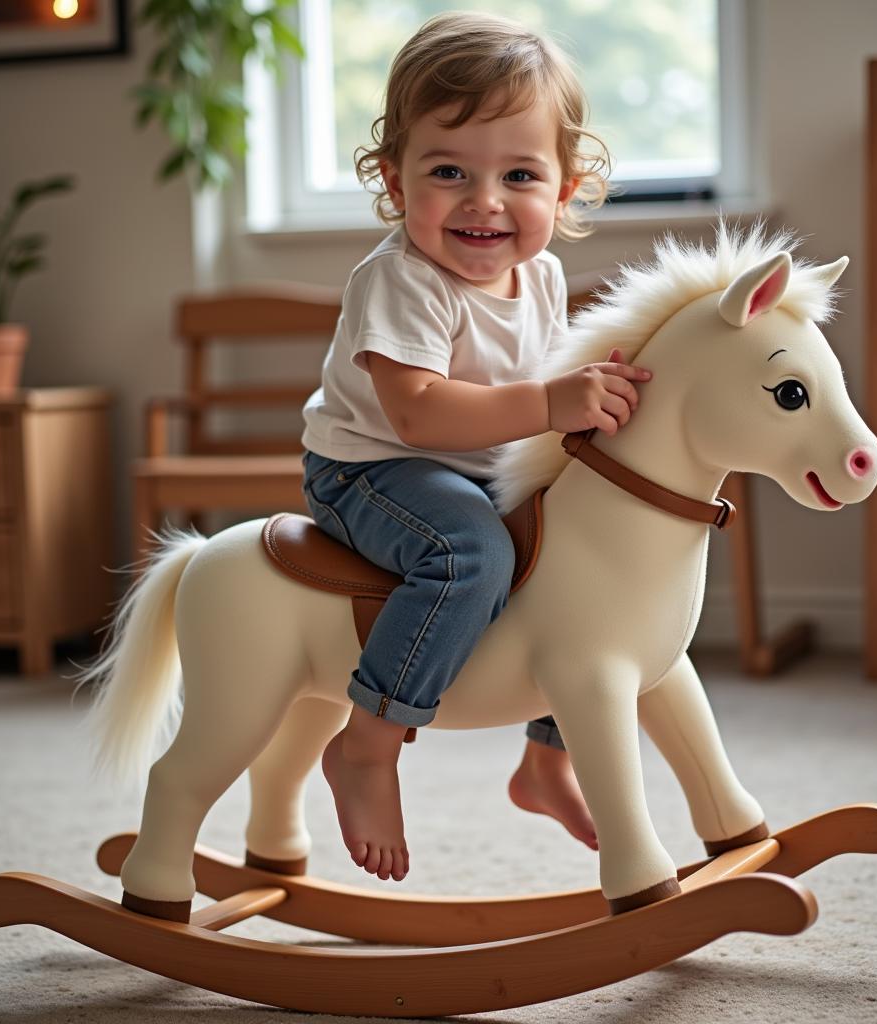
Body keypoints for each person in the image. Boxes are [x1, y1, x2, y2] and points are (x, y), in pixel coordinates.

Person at [301, 11, 652, 883]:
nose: (484, 200)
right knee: (469, 553)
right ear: (394, 178)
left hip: (476, 465)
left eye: (520, 174)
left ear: (566, 189)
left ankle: (546, 757)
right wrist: (545, 402)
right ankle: (370, 744)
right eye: (448, 170)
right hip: (371, 468)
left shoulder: (540, 273)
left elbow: (537, 389)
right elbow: (418, 416)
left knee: (590, 561)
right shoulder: (400, 280)